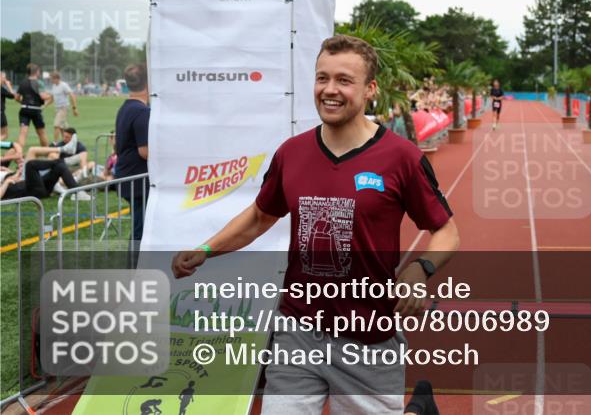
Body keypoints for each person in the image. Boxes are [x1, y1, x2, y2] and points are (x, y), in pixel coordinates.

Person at [171, 35, 458, 415]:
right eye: (322, 78)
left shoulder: (401, 158)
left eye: (344, 80)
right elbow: (260, 216)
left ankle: (418, 410)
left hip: (368, 339)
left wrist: (420, 270)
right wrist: (206, 249)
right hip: (298, 333)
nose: (330, 90)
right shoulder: (292, 153)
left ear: (371, 90)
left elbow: (447, 231)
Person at [114, 64, 150, 241]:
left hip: (127, 176)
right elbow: (145, 151)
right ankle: (134, 265)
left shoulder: (126, 107)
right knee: (140, 230)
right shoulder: (142, 111)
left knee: (140, 226)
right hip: (137, 180)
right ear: (148, 83)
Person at [1, 158, 79, 200]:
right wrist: (7, 182)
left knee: (59, 167)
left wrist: (17, 173)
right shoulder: (5, 183)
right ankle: (60, 161)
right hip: (32, 193)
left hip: (39, 187)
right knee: (30, 164)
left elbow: (13, 179)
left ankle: (77, 193)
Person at [16, 63, 51, 150]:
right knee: (41, 133)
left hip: (24, 109)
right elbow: (43, 96)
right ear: (36, 72)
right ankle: (46, 151)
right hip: (36, 110)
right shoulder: (39, 83)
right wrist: (52, 95)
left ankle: (18, 154)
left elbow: (17, 97)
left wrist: (24, 103)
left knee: (22, 134)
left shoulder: (23, 82)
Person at [48, 71, 78, 143]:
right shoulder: (54, 86)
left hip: (63, 108)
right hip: (57, 109)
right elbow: (52, 99)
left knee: (56, 125)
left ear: (56, 78)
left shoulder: (64, 85)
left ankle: (55, 143)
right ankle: (70, 141)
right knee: (64, 128)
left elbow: (72, 95)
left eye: (51, 79)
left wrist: (74, 108)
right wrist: (44, 105)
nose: (50, 80)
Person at [1, 73, 16, 140]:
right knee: (4, 135)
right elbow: (13, 96)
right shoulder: (1, 89)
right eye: (4, 78)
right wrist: (8, 85)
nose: (5, 80)